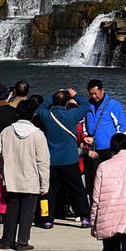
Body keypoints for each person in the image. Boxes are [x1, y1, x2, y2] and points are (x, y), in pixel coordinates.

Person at [0, 99, 49, 251]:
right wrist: (44, 184)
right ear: (33, 115)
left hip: (11, 178)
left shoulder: (6, 132)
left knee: (11, 210)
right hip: (30, 179)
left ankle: (7, 239)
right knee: (27, 212)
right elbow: (43, 162)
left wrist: (1, 172)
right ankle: (22, 241)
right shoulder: (37, 135)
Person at [37, 88, 91, 228]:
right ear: (67, 102)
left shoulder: (45, 115)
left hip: (51, 160)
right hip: (70, 160)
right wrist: (75, 95)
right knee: (77, 189)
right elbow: (86, 105)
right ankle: (85, 217)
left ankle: (47, 218)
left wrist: (53, 95)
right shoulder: (71, 115)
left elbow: (40, 106)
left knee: (49, 191)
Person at [83, 80, 126, 200]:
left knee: (112, 179)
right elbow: (84, 124)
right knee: (94, 181)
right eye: (91, 94)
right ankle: (95, 207)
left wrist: (119, 147)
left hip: (110, 149)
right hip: (94, 150)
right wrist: (85, 136)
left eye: (95, 93)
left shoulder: (113, 105)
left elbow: (122, 127)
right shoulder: (87, 105)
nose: (93, 96)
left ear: (102, 90)